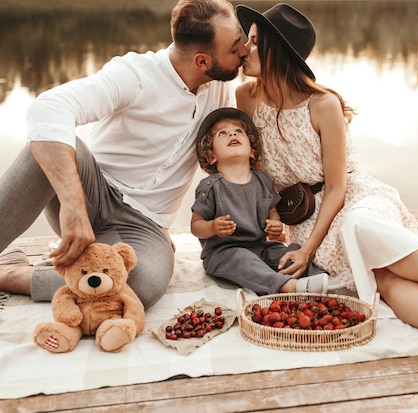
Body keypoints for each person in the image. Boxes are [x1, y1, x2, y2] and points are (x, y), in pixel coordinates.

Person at [234, 3, 418, 363]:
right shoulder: (245, 99)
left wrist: (308, 250)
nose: (244, 49)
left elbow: (336, 188)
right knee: (383, 281)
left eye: (253, 42)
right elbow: (254, 172)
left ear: (277, 50)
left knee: (359, 227)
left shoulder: (323, 104)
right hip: (304, 220)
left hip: (352, 200)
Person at [0, 0, 248, 309]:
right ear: (201, 61)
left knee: (142, 284)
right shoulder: (135, 75)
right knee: (48, 143)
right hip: (91, 194)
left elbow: (268, 64)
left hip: (145, 226)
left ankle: (12, 273)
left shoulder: (221, 86)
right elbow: (48, 108)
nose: (244, 50)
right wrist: (73, 205)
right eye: (235, 46)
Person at [190, 107, 329, 295]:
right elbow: (196, 225)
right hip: (224, 252)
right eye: (222, 133)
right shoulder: (211, 186)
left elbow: (271, 210)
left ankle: (322, 280)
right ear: (211, 156)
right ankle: (286, 286)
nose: (232, 133)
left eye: (238, 131)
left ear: (252, 152)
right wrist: (213, 227)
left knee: (288, 251)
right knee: (242, 260)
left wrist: (276, 224)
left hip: (260, 246)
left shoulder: (262, 179)